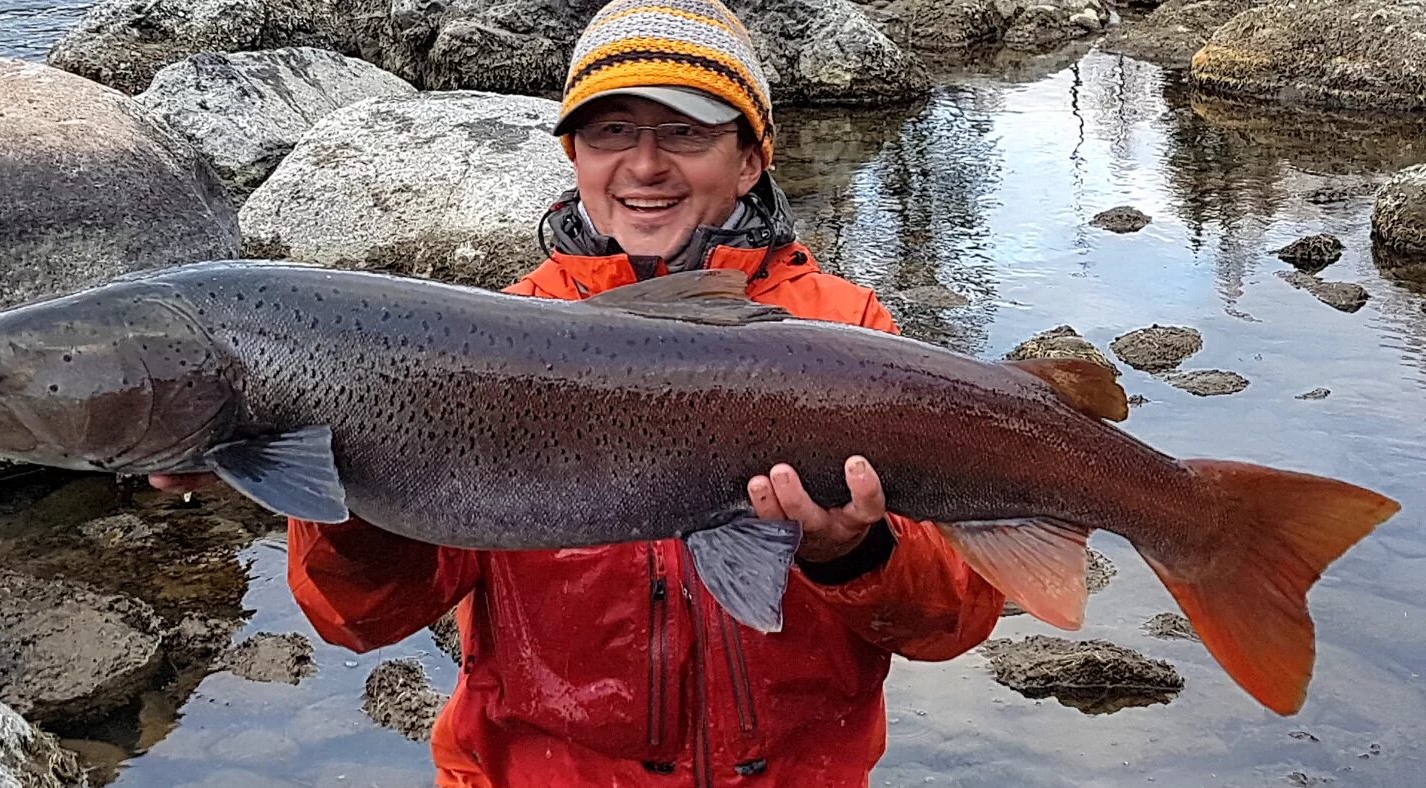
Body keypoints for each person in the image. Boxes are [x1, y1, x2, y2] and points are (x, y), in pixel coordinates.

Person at [155, 1, 1003, 785]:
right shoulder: (485, 345)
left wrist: (850, 557)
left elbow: (949, 623)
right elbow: (360, 621)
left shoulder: (849, 334)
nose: (643, 165)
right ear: (573, 156)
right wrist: (332, 477)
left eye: (684, 133)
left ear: (749, 161)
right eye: (610, 133)